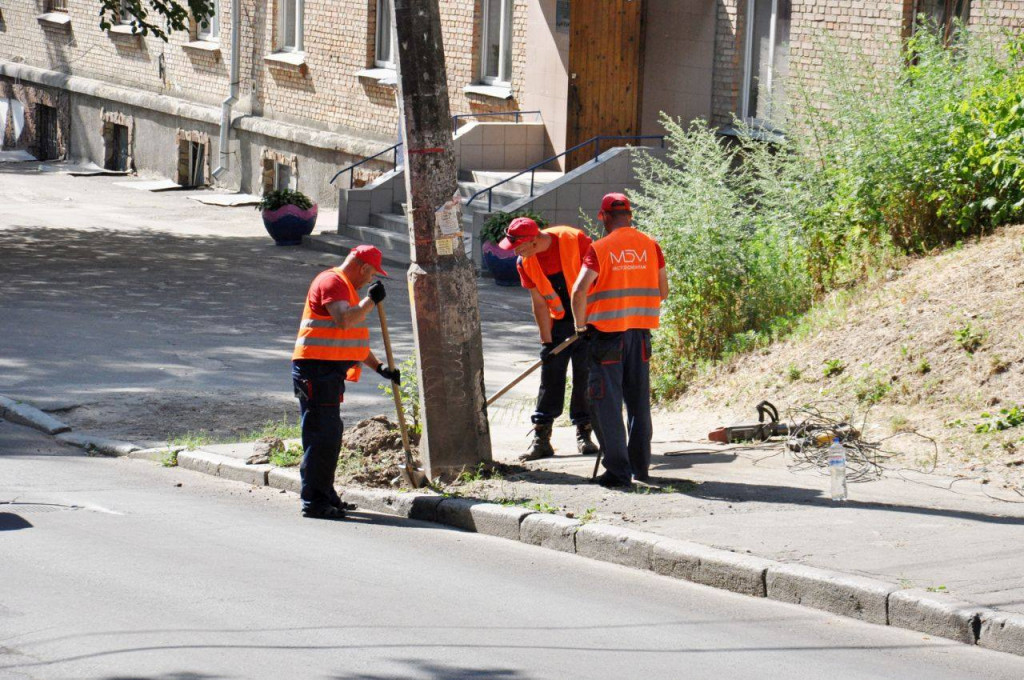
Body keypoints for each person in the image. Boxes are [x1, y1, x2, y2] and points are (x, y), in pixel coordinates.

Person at [291, 245, 401, 519]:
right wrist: (369, 302)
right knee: (321, 437)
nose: (369, 279)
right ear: (363, 268)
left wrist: (380, 367)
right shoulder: (332, 282)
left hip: (327, 373)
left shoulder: (346, 288)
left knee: (329, 436)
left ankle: (325, 495)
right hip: (316, 371)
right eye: (371, 273)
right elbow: (342, 320)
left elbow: (351, 340)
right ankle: (315, 502)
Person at [570, 193, 669, 488]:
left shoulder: (599, 248)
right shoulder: (651, 246)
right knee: (639, 403)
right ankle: (641, 468)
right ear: (630, 215)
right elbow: (662, 291)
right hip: (639, 337)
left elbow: (579, 291)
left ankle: (617, 472)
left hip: (607, 338)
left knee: (607, 404)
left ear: (603, 217)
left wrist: (579, 325)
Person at [499, 217, 600, 460]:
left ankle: (584, 435)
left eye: (518, 246)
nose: (515, 252)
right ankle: (542, 439)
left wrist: (590, 323)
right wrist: (546, 342)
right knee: (550, 377)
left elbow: (599, 275)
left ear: (533, 240)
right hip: (559, 323)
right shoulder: (525, 262)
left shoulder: (574, 239)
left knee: (585, 376)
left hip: (589, 319)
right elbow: (539, 303)